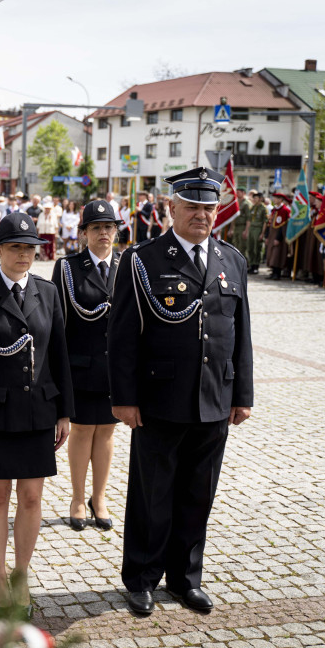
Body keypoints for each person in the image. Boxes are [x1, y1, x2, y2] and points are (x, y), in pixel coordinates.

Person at [108, 167, 253, 617]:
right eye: (192, 206)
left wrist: (241, 394)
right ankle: (142, 578)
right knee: (153, 493)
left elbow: (240, 332)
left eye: (209, 207)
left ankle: (186, 578)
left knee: (198, 493)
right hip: (160, 398)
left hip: (213, 397)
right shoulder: (143, 259)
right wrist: (124, 397)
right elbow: (123, 335)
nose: (202, 215)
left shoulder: (232, 260)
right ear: (171, 208)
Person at [0, 212, 74, 619]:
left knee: (32, 496)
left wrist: (65, 412)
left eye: (30, 248)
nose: (24, 255)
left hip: (40, 410)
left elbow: (60, 354)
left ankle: (21, 574)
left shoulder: (48, 291)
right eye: (16, 247)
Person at [51, 200, 121, 532]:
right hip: (79, 367)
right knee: (80, 433)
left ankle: (100, 496)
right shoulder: (67, 268)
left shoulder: (127, 266)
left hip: (113, 369)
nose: (104, 233)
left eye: (109, 227)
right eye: (96, 228)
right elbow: (59, 322)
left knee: (106, 433)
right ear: (84, 233)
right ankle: (78, 498)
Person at [264, 193, 291, 280]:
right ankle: (273, 272)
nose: (274, 200)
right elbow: (269, 223)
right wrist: (267, 236)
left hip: (279, 235)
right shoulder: (274, 210)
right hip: (272, 233)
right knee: (271, 253)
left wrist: (278, 238)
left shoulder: (285, 210)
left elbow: (283, 226)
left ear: (280, 199)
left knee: (277, 254)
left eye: (276, 198)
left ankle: (277, 273)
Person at [246, 191, 267, 274]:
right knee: (250, 247)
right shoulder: (253, 207)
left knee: (257, 248)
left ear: (260, 199)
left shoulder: (263, 208)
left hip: (258, 229)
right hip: (251, 228)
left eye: (256, 198)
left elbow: (265, 221)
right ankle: (251, 265)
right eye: (253, 198)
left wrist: (262, 233)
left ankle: (256, 266)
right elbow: (250, 220)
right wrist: (247, 230)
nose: (254, 199)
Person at [36, 196, 58, 261]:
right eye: (46, 208)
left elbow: (56, 225)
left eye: (48, 208)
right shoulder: (41, 215)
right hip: (42, 232)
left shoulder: (53, 215)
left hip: (51, 232)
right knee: (43, 245)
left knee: (51, 245)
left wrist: (56, 234)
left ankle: (51, 257)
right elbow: (38, 225)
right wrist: (38, 233)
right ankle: (43, 257)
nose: (47, 210)